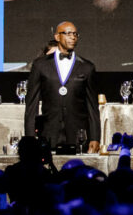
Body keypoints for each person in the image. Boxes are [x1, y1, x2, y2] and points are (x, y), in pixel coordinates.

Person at [24, 21, 101, 152]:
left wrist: (95, 137)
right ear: (57, 37)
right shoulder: (40, 65)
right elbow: (31, 104)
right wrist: (30, 137)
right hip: (49, 133)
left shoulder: (87, 67)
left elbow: (92, 106)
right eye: (68, 33)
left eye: (75, 34)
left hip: (78, 135)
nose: (73, 37)